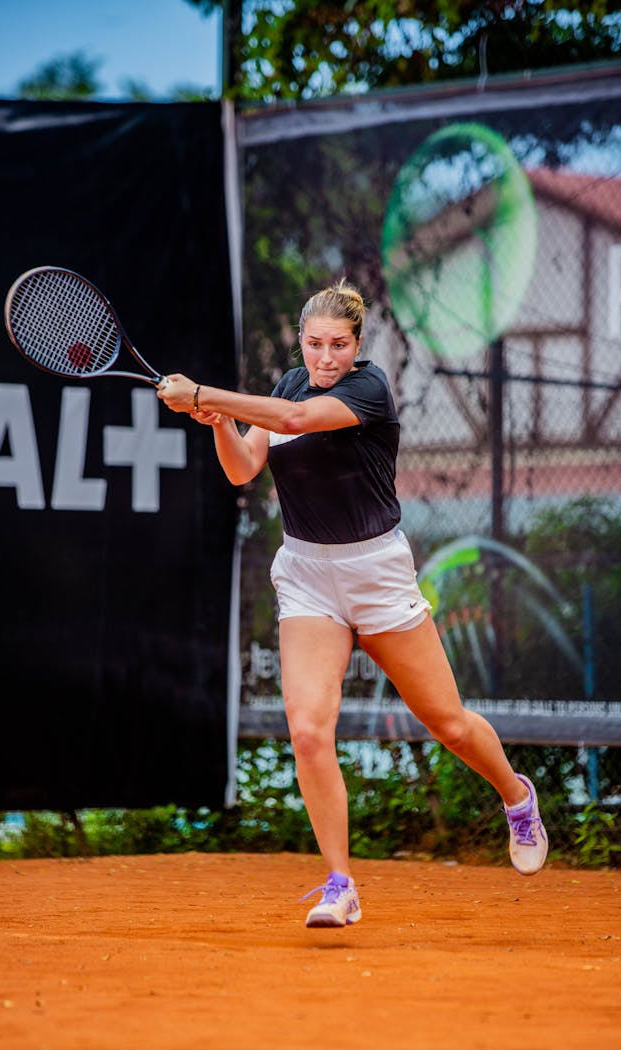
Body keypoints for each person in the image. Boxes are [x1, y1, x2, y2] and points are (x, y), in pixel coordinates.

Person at [157, 278, 548, 929]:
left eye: (338, 344)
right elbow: (242, 468)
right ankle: (340, 882)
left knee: (448, 723)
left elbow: (296, 422)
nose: (325, 357)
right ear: (301, 342)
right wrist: (222, 423)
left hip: (378, 573)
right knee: (308, 731)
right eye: (314, 344)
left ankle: (515, 796)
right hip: (308, 574)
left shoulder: (367, 391)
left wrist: (201, 393)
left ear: (358, 345)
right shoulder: (284, 385)